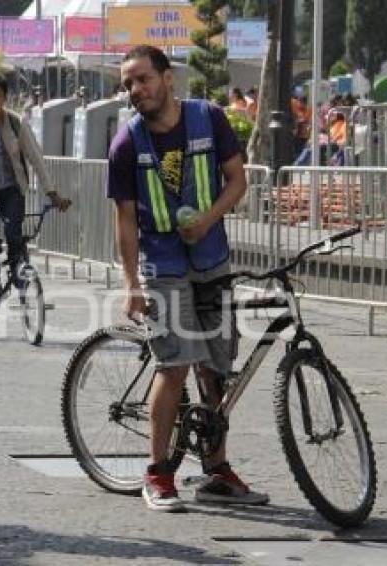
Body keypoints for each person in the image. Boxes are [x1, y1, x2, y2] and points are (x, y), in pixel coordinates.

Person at [108, 45, 269, 512]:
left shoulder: (209, 118)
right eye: (128, 84)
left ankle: (216, 468)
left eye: (142, 79)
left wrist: (209, 218)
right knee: (174, 365)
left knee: (217, 366)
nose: (136, 90)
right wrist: (131, 284)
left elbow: (237, 180)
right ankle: (158, 472)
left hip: (212, 259)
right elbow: (123, 221)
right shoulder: (126, 143)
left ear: (168, 77)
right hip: (164, 266)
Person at [0, 74, 70, 319]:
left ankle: (20, 279)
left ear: (4, 97)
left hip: (12, 190)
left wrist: (52, 192)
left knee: (15, 235)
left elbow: (36, 158)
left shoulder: (16, 123)